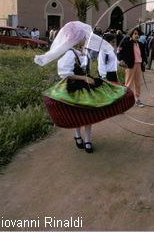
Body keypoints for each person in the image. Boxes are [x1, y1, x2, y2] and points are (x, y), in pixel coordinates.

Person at [34, 21, 135, 153]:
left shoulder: (83, 52)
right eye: (83, 37)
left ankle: (87, 139)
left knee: (88, 113)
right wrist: (83, 78)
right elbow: (65, 74)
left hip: (86, 85)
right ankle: (77, 136)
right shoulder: (70, 53)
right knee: (77, 112)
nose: (86, 39)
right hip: (75, 86)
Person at [117, 27, 148, 107]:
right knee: (128, 83)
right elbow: (120, 52)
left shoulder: (141, 44)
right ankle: (124, 100)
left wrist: (144, 61)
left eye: (138, 34)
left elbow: (144, 55)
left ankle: (137, 99)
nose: (137, 35)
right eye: (135, 34)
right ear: (131, 35)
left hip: (139, 65)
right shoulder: (126, 43)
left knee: (138, 83)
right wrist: (121, 60)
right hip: (130, 65)